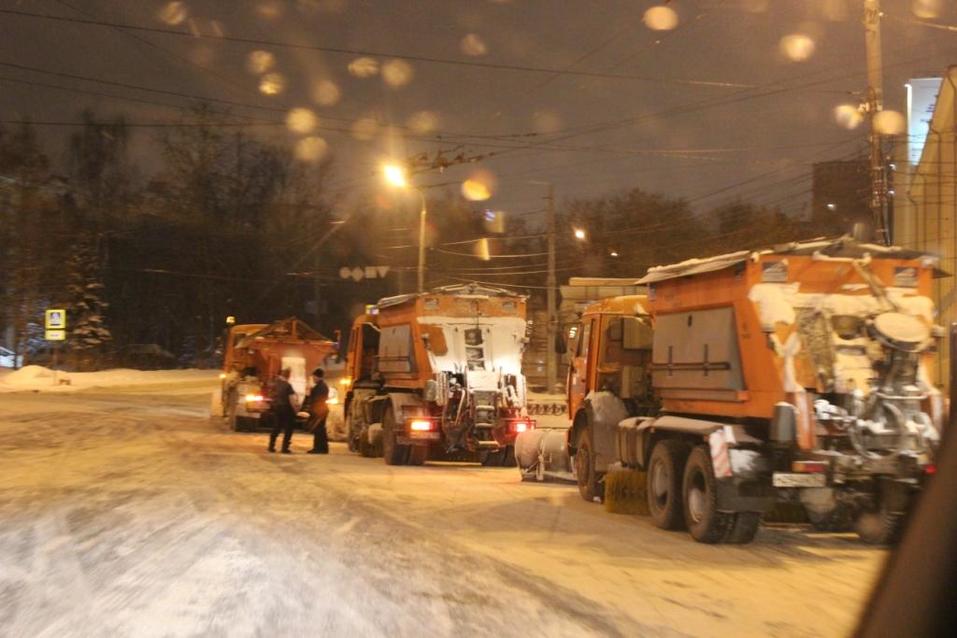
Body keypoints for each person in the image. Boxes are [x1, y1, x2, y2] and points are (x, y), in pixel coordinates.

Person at [267, 367, 298, 454]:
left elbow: (271, 395)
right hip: (286, 408)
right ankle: (285, 448)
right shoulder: (288, 385)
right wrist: (295, 410)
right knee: (288, 428)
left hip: (277, 407)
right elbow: (291, 399)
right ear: (288, 375)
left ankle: (271, 446)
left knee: (277, 426)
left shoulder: (275, 384)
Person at [303, 367, 330, 454]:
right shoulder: (321, 386)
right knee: (321, 430)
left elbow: (317, 399)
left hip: (320, 411)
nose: (313, 379)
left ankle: (318, 448)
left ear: (318, 377)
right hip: (321, 410)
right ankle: (323, 448)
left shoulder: (320, 387)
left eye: (314, 377)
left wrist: (309, 392)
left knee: (318, 430)